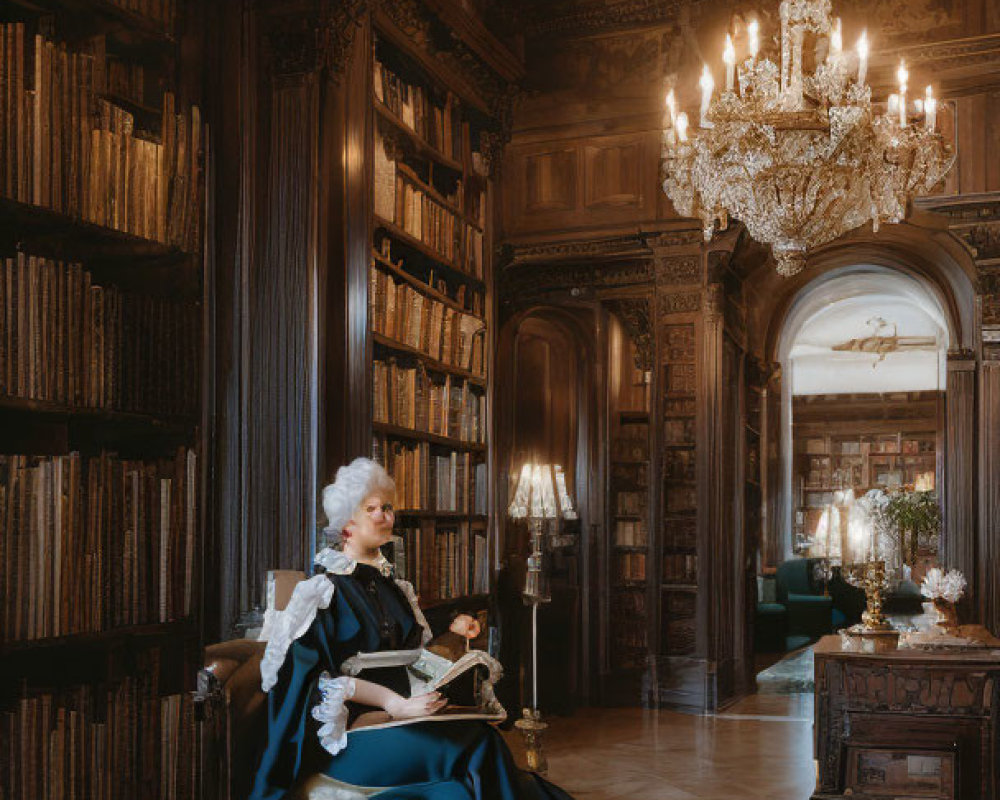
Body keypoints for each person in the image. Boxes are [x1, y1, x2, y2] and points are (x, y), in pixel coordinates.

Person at [249, 457, 575, 800]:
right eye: (371, 508)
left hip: (402, 721)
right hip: (350, 741)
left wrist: (453, 686)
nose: (384, 515)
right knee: (477, 746)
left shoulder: (394, 588)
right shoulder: (320, 593)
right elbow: (313, 686)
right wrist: (394, 703)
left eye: (387, 507)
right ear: (346, 522)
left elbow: (409, 652)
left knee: (481, 739)